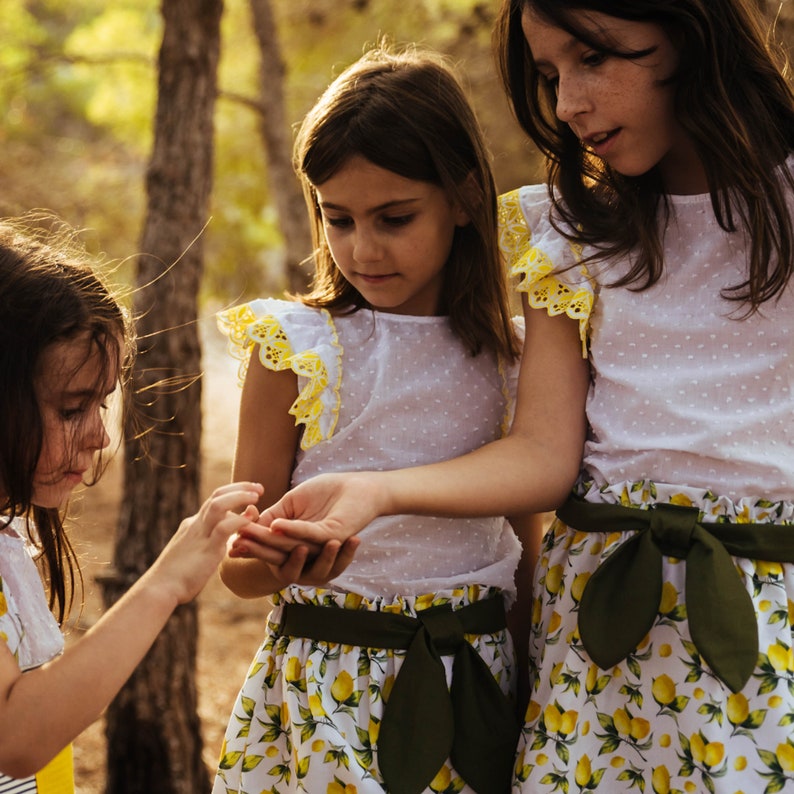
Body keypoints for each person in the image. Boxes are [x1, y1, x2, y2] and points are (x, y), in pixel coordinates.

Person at [247, 1, 794, 791]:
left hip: (768, 620)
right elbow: (543, 454)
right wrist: (375, 491)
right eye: (548, 75)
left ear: (691, 32)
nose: (568, 104)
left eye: (595, 59)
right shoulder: (572, 230)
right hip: (598, 645)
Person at [212, 42, 540, 794]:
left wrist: (526, 681)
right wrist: (278, 561)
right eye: (338, 218)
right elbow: (235, 564)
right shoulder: (296, 346)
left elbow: (523, 546)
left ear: (462, 200)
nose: (363, 248)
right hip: (324, 690)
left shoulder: (514, 356)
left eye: (394, 218)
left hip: (473, 684)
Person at [0, 214, 264, 792]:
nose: (98, 436)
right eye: (72, 408)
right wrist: (165, 582)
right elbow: (15, 736)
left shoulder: (10, 532)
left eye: (102, 404)